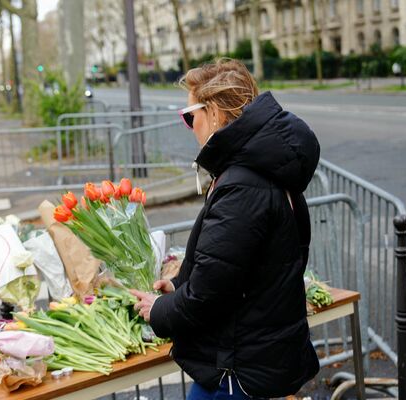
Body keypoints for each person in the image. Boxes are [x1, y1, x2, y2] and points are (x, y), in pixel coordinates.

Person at [131, 58, 321, 399]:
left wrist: (157, 309)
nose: (189, 127)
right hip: (260, 356)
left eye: (190, 117)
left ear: (215, 112)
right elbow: (239, 268)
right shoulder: (265, 169)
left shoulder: (243, 185)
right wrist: (178, 283)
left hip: (237, 371)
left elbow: (209, 295)